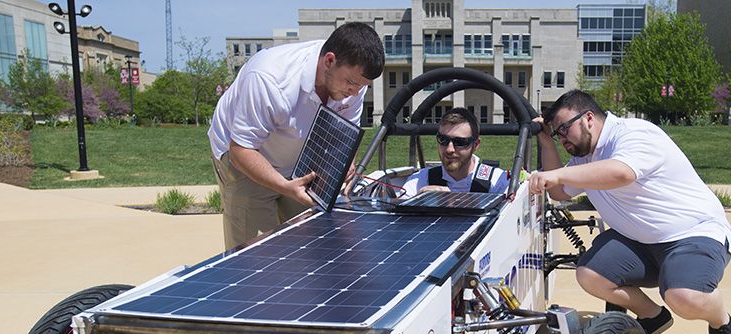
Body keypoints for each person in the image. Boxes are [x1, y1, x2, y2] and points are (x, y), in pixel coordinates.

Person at [529, 90, 731, 334]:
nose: (563, 137)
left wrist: (558, 173)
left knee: (683, 296)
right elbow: (558, 193)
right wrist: (546, 142)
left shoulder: (634, 134)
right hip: (640, 242)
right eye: (558, 133)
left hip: (693, 234)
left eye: (565, 129)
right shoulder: (584, 156)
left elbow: (621, 173)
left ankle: (721, 322)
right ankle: (653, 316)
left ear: (588, 118)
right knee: (590, 275)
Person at [208, 23, 384, 249]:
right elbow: (241, 150)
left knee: (310, 241)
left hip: (298, 157)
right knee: (255, 255)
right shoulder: (269, 78)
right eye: (351, 83)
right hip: (245, 157)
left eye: (363, 86)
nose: (356, 92)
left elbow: (343, 134)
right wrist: (285, 186)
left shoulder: (353, 84)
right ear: (329, 61)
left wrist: (345, 164)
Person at [402, 107, 509, 197]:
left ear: (475, 145)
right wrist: (418, 201)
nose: (450, 149)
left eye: (460, 142)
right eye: (443, 140)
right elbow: (397, 213)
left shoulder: (498, 182)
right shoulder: (420, 180)